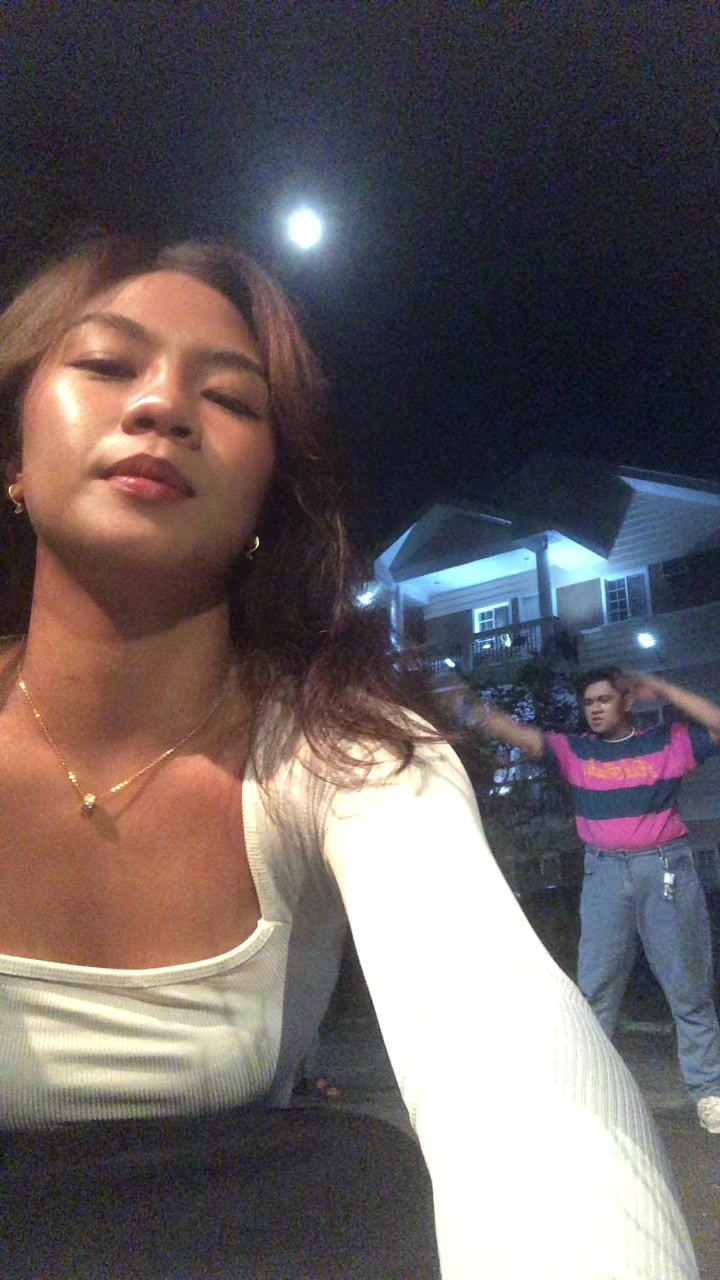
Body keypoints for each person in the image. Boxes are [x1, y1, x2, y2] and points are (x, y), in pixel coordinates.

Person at [0, 234, 700, 1280]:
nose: (164, 406)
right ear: (13, 455)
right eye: (107, 363)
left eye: (229, 400)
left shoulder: (343, 746)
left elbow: (498, 1019)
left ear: (267, 501)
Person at [466, 666, 720, 1134]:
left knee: (688, 988)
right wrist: (468, 705)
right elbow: (516, 733)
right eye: (588, 703)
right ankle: (590, 1095)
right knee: (596, 990)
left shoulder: (668, 742)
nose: (595, 709)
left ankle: (709, 1092)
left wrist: (664, 689)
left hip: (664, 869)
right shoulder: (575, 751)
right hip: (604, 873)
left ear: (627, 702)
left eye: (604, 699)